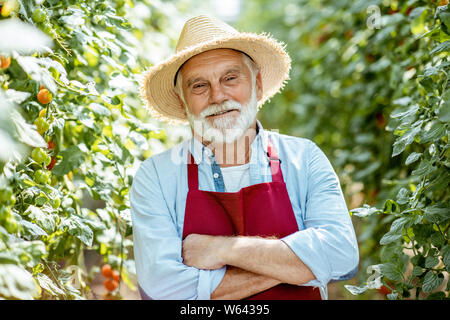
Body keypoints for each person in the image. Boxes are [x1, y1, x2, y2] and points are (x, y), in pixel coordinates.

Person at [130, 15, 359, 300]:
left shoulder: (305, 158)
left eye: (230, 78)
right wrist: (298, 263)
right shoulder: (155, 177)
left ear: (258, 85)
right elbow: (163, 289)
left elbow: (341, 256)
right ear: (182, 100)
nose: (217, 96)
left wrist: (221, 250)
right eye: (199, 85)